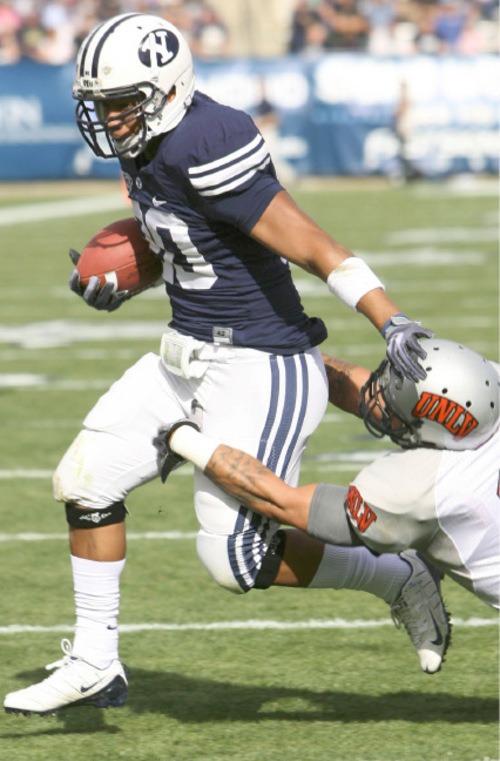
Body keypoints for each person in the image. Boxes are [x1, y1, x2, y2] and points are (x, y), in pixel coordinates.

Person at [3, 12, 435, 715]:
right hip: (187, 352)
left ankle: (395, 573)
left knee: (235, 561)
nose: (109, 121)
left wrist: (391, 320)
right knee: (85, 477)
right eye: (101, 105)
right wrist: (126, 276)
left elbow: (314, 245)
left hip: (259, 362)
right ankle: (93, 659)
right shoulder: (144, 142)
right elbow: (190, 247)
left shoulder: (209, 140)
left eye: (121, 104)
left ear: (166, 92)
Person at [153, 338, 499, 614]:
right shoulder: (486, 393)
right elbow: (373, 395)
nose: (383, 394)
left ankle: (404, 578)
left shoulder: (426, 486)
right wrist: (272, 357)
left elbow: (282, 502)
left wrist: (182, 438)